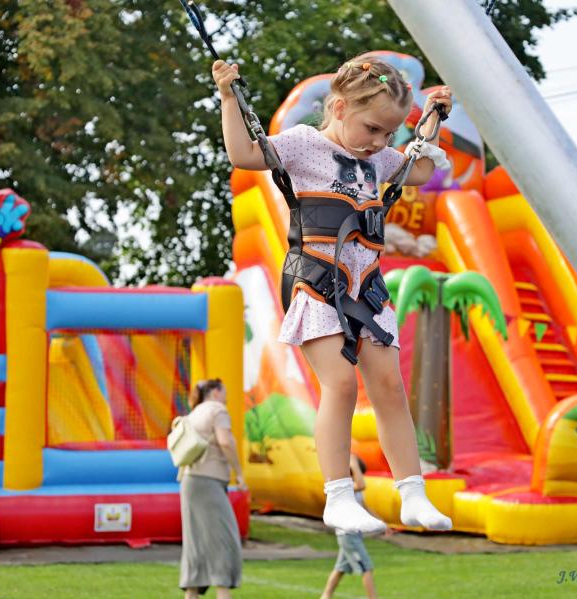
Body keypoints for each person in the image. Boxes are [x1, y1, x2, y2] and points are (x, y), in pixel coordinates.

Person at [212, 55, 453, 534]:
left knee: (389, 386)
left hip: (367, 285)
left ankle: (412, 494)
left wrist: (433, 118)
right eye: (372, 129)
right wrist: (227, 97)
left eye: (389, 133)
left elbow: (420, 169)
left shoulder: (377, 158)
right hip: (317, 282)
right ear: (339, 108)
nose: (379, 142)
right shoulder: (304, 144)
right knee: (341, 384)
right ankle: (339, 496)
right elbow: (244, 154)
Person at [179, 378, 245, 599]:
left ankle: (192, 592)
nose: (226, 396)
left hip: (190, 480)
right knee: (224, 541)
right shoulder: (217, 410)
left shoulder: (195, 412)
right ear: (216, 392)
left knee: (195, 545)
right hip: (209, 481)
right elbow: (225, 442)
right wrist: (239, 472)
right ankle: (223, 591)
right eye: (224, 392)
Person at [321, 455, 379, 599]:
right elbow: (361, 484)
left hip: (354, 534)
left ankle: (325, 596)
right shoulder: (343, 488)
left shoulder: (354, 488)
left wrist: (382, 523)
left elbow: (364, 507)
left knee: (340, 568)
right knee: (367, 567)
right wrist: (352, 462)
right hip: (348, 535)